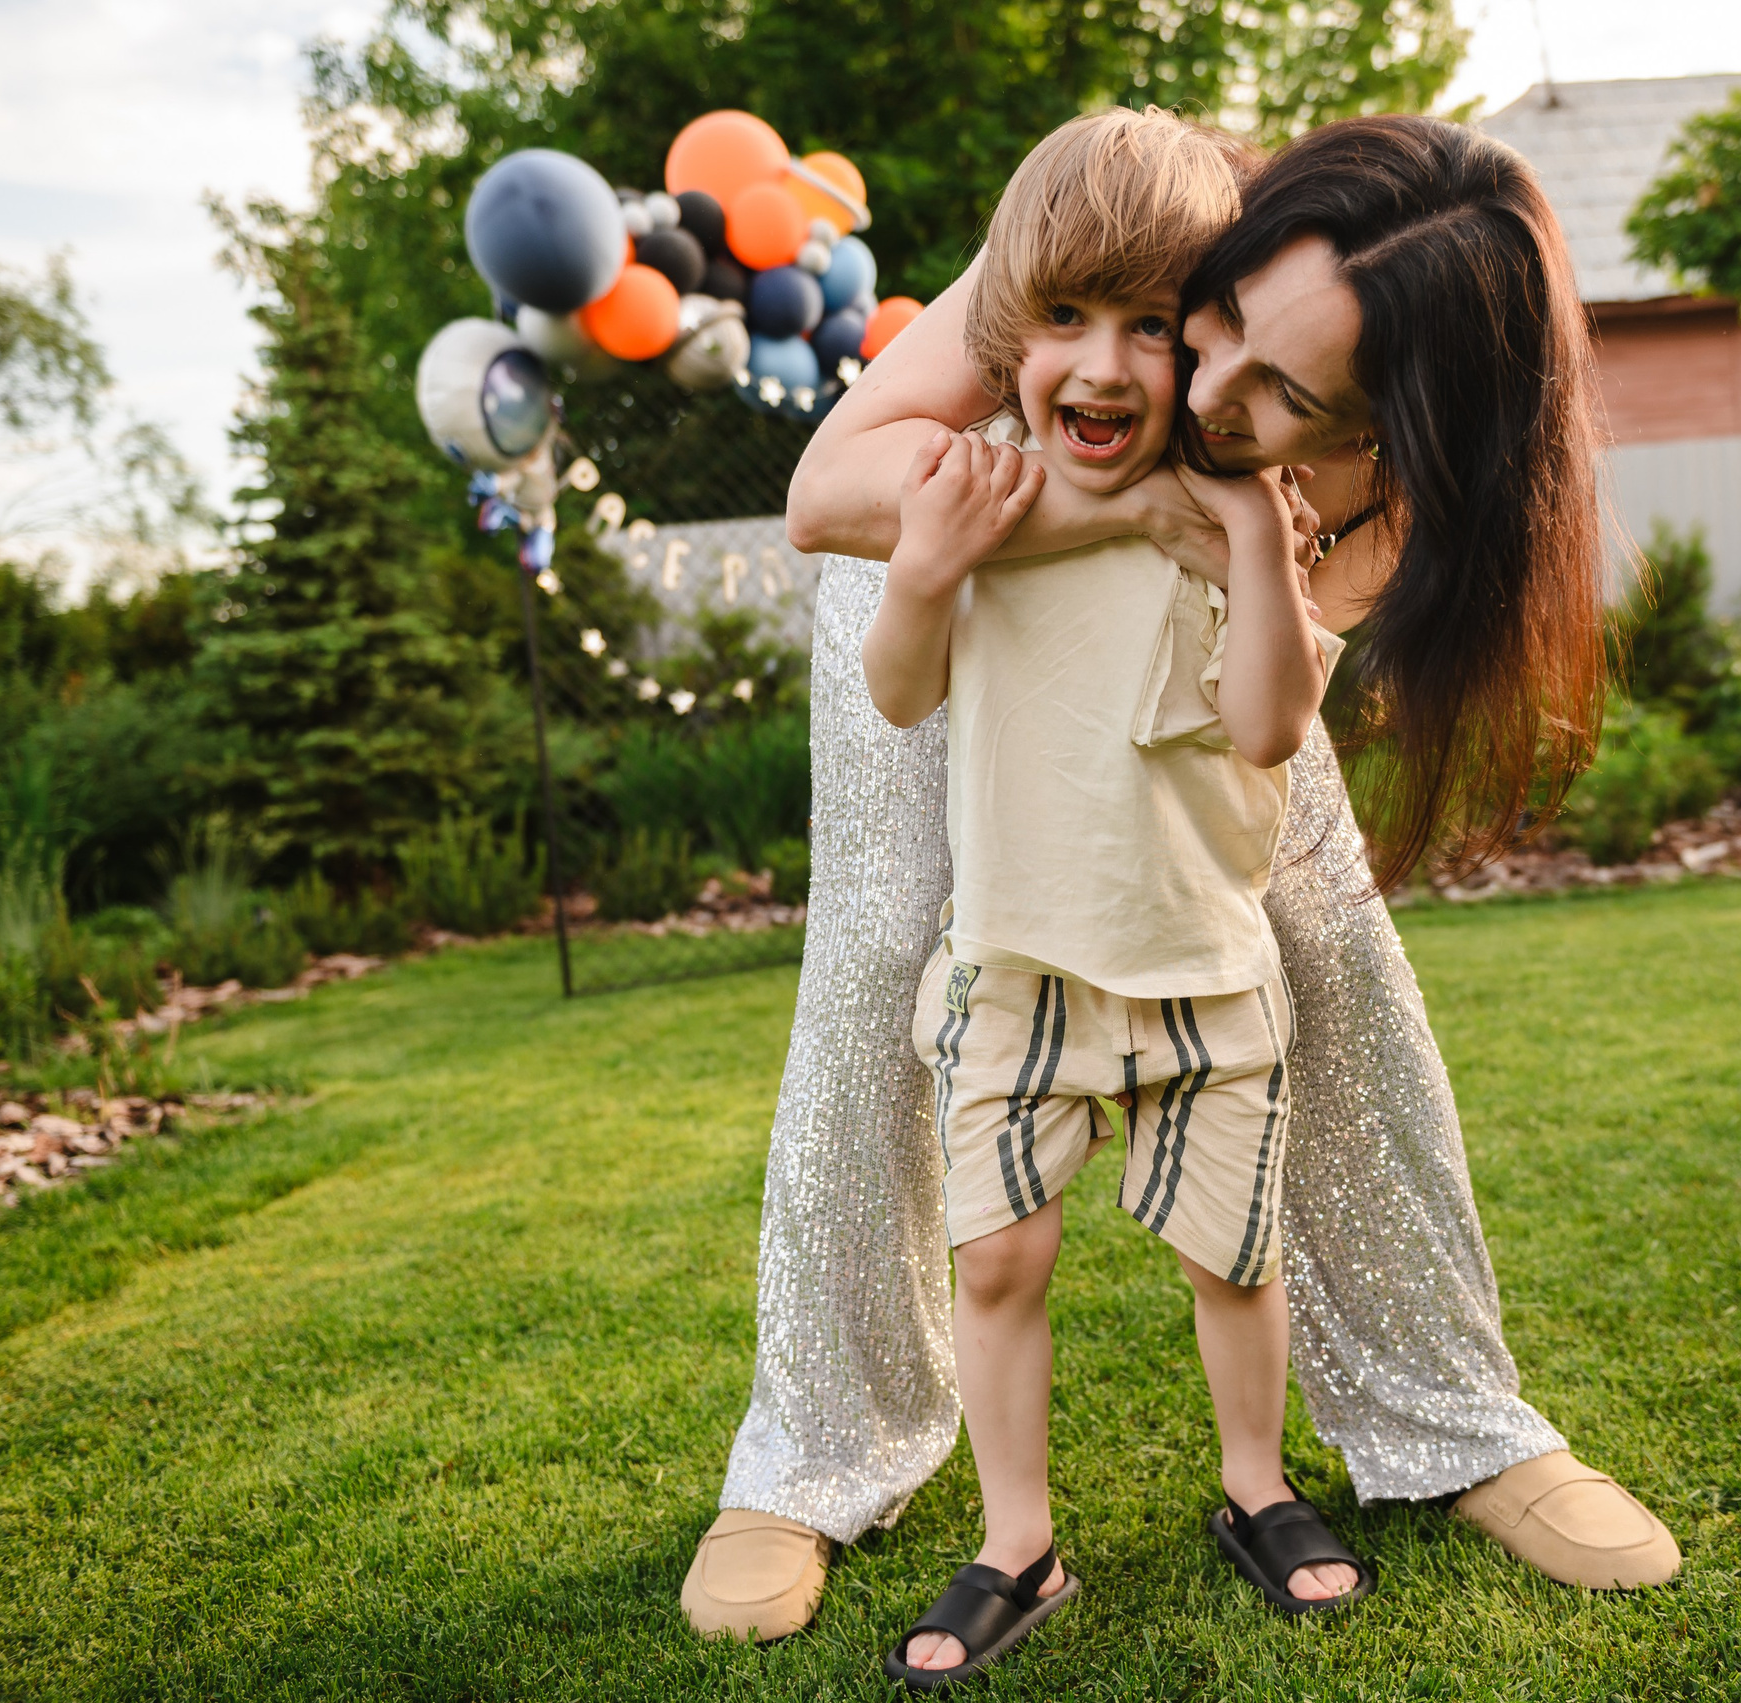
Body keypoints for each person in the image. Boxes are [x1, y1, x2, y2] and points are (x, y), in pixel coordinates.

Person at [677, 114, 1681, 1647]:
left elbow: (1260, 726)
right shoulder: (1142, 237)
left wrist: (1232, 557)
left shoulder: (1408, 490)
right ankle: (810, 1456)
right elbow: (830, 496)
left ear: (1391, 422)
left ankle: (1454, 1415)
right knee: (888, 958)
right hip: (940, 577)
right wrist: (1150, 503)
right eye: (1218, 333)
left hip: (1219, 603)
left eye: (1284, 394)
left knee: (1323, 941)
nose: (1208, 394)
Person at [857, 110, 1370, 1686]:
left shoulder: (1241, 510)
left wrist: (1248, 547)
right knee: (1000, 1261)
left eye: (1150, 328)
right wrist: (929, 571)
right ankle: (1018, 1542)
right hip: (1017, 963)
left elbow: (1275, 727)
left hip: (1205, 959)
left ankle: (1256, 1488)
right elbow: (896, 694)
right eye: (1065, 321)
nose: (1102, 368)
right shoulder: (981, 499)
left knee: (1236, 1254)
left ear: (1204, 349)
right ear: (1008, 332)